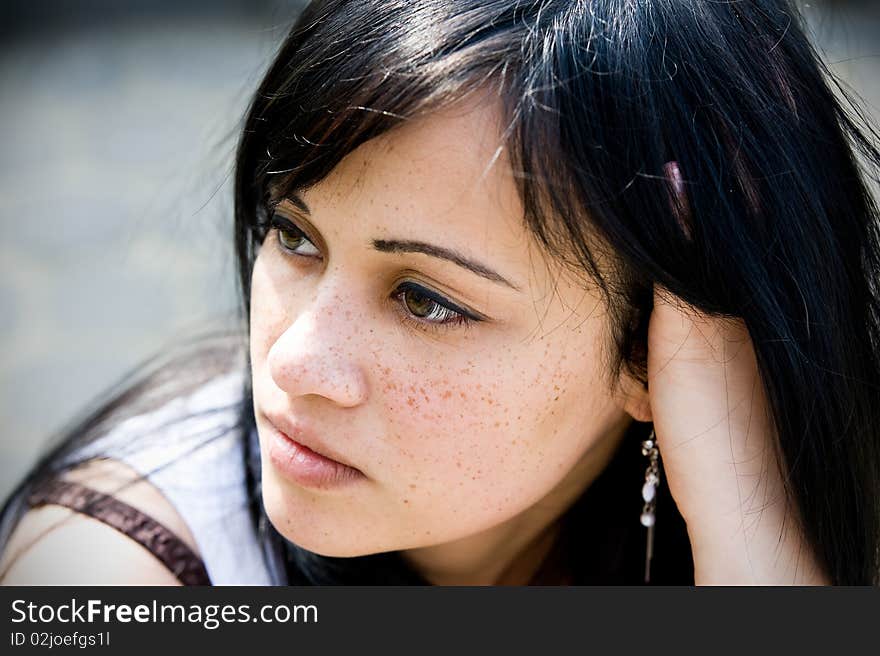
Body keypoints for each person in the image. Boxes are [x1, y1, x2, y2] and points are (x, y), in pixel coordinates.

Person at [1, 0, 879, 586]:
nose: (292, 361)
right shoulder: (111, 573)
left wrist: (750, 528)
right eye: (295, 236)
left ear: (655, 344)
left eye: (425, 299)